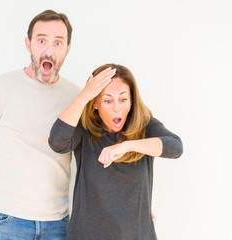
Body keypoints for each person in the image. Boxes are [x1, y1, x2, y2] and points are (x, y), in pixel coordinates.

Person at [0, 10, 80, 240]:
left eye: (58, 43)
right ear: (28, 44)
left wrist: (134, 204)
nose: (49, 50)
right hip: (4, 221)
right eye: (41, 40)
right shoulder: (0, 88)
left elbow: (94, 159)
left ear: (67, 49)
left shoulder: (76, 98)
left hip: (58, 224)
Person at [48, 63, 183, 239]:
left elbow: (175, 147)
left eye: (123, 99)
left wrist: (127, 146)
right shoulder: (85, 128)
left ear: (132, 101)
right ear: (95, 103)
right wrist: (84, 96)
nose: (116, 107)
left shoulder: (146, 126)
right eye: (107, 100)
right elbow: (57, 142)